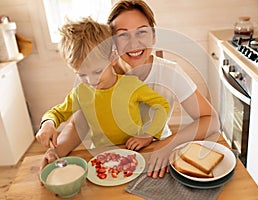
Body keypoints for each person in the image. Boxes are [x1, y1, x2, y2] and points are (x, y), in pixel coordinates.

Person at [37, 0, 220, 179]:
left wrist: (167, 145)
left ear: (154, 36)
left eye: (142, 32)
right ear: (111, 44)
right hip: (106, 159)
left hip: (155, 151)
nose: (134, 43)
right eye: (123, 35)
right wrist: (56, 151)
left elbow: (210, 120)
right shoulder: (95, 75)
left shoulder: (170, 72)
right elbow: (78, 124)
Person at [36, 17, 170, 154]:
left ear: (112, 58)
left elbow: (162, 105)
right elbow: (57, 113)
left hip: (136, 152)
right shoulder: (80, 92)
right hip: (103, 155)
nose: (91, 80)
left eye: (97, 71)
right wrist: (47, 123)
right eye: (81, 75)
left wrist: (148, 135)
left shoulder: (131, 85)